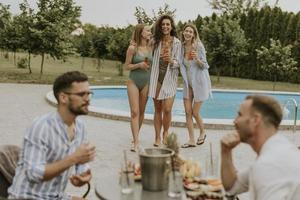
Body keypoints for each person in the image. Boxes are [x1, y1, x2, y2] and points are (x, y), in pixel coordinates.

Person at [8, 71, 96, 200]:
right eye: (81, 94)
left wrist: (83, 175)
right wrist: (73, 158)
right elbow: (34, 174)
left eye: (89, 93)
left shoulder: (81, 127)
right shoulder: (41, 127)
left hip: (57, 196)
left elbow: (81, 163)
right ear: (63, 98)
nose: (87, 99)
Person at [221, 95, 300, 200]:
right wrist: (226, 150)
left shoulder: (269, 165)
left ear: (255, 120)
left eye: (239, 115)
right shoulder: (276, 150)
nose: (235, 121)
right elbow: (232, 186)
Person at [148, 14, 181, 146]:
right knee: (157, 109)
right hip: (156, 78)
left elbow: (180, 63)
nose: (165, 27)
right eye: (163, 25)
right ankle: (157, 137)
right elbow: (146, 54)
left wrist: (171, 61)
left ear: (171, 26)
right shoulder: (155, 41)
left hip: (170, 79)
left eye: (167, 24)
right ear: (160, 27)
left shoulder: (177, 43)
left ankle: (165, 133)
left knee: (167, 109)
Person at [179, 24, 212, 148]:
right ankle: (191, 140)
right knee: (187, 112)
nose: (188, 33)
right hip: (188, 84)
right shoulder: (181, 47)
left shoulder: (198, 46)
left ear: (194, 34)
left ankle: (203, 131)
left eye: (190, 32)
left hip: (199, 83)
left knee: (195, 112)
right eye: (186, 31)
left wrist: (197, 59)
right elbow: (179, 63)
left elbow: (205, 65)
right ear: (183, 33)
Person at [124, 24, 153, 152]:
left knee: (141, 112)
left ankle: (135, 136)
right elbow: (126, 66)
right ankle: (135, 142)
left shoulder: (151, 47)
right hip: (133, 82)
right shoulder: (132, 48)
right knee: (135, 112)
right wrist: (139, 65)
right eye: (147, 30)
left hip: (146, 82)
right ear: (141, 32)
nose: (149, 32)